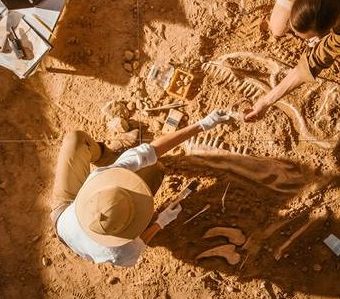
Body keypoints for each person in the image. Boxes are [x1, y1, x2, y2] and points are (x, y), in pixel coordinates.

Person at [49, 110, 232, 267]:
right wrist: (161, 221)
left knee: (76, 140)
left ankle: (107, 155)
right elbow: (141, 242)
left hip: (63, 211)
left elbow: (152, 150)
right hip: (74, 232)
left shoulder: (99, 178)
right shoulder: (121, 253)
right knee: (154, 170)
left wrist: (202, 124)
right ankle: (117, 161)